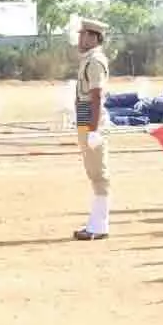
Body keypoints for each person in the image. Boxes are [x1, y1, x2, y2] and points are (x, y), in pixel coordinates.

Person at [73, 18, 111, 241]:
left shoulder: (95, 61)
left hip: (92, 119)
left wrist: (94, 130)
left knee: (99, 173)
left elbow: (96, 96)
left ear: (93, 37)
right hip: (85, 116)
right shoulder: (88, 60)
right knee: (93, 171)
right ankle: (96, 223)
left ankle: (99, 225)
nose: (80, 39)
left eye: (83, 35)